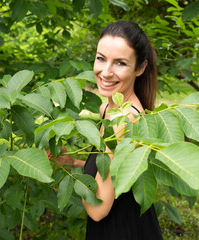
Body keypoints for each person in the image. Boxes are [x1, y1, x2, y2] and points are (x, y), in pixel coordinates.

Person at [50, 21, 163, 239]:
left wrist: (78, 180)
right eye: (101, 58)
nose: (106, 72)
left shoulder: (125, 118)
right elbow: (116, 173)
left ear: (140, 68)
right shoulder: (108, 108)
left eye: (120, 63)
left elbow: (98, 208)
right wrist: (73, 163)